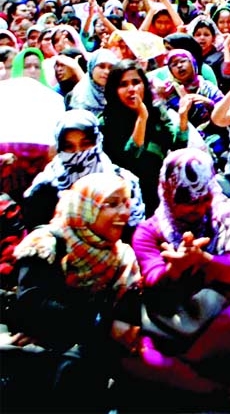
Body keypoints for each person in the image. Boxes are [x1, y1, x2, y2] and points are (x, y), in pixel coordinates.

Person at [130, 149, 230, 395]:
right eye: (186, 202)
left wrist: (204, 261)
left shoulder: (228, 219)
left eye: (203, 200)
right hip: (168, 324)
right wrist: (175, 270)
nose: (197, 209)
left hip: (219, 319)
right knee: (132, 353)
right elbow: (155, 286)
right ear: (167, 193)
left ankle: (183, 373)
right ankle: (212, 386)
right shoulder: (148, 232)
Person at [9, 173, 142, 411]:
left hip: (85, 362)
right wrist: (101, 324)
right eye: (111, 204)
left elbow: (126, 323)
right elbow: (32, 306)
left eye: (126, 202)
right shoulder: (47, 242)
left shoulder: (123, 258)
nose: (123, 212)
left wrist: (76, 325)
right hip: (40, 361)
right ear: (85, 208)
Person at [22, 109, 146, 236]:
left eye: (86, 144)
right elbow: (37, 235)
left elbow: (133, 234)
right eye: (69, 147)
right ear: (60, 148)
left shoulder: (124, 182)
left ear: (98, 141)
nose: (78, 153)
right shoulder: (45, 187)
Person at [101, 60, 191, 214]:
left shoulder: (157, 112)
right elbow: (129, 160)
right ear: (114, 90)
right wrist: (142, 118)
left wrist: (183, 120)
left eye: (136, 82)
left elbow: (177, 147)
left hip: (159, 193)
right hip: (127, 199)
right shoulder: (106, 121)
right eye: (123, 84)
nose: (131, 89)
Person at [67, 48, 118, 116]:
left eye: (111, 68)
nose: (106, 72)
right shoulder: (80, 97)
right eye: (101, 66)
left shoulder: (119, 92)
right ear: (92, 68)